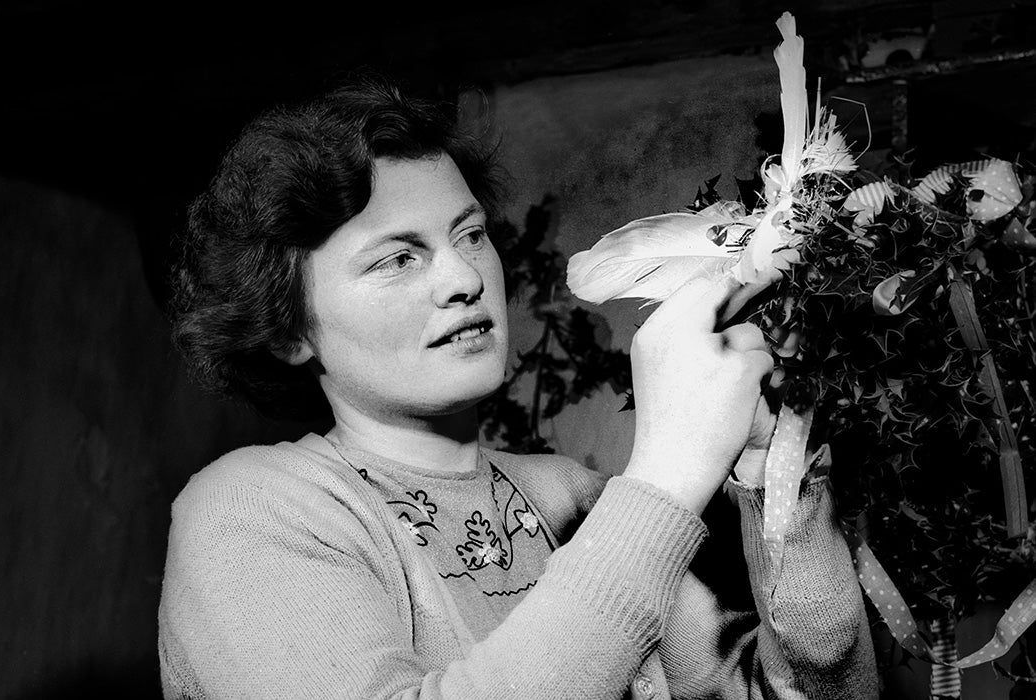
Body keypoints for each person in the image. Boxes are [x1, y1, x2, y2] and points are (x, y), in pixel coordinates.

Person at [158, 70, 876, 699]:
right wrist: (667, 475)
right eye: (397, 259)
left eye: (470, 235)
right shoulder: (252, 509)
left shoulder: (574, 496)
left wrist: (775, 473)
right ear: (288, 329)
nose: (466, 278)